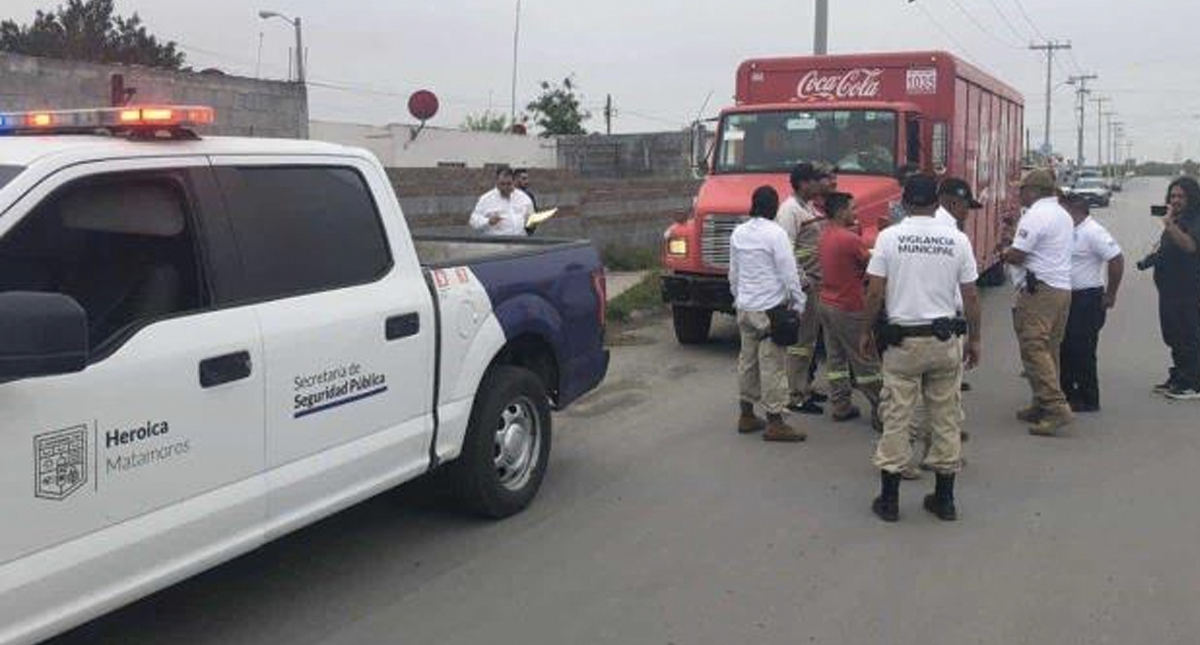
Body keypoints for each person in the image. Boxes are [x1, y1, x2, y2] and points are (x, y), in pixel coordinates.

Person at [861, 174, 981, 522]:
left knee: (897, 415)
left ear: (905, 202)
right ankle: (944, 500)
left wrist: (866, 331)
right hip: (945, 341)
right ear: (936, 202)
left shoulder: (889, 237)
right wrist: (975, 339)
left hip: (903, 342)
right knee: (945, 417)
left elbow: (874, 291)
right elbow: (971, 295)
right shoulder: (957, 240)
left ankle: (890, 500)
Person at [731, 186, 809, 442]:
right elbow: (789, 272)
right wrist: (799, 302)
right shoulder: (776, 234)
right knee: (773, 364)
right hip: (769, 309)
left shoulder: (739, 232)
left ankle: (747, 414)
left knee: (747, 361)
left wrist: (738, 297)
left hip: (745, 307)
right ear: (774, 207)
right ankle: (775, 422)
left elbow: (734, 271)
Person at [1001, 169, 1076, 436]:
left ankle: (1055, 407)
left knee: (1033, 345)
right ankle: (1041, 401)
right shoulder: (1062, 214)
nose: (1019, 193)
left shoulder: (1035, 215)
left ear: (1033, 190)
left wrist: (1004, 252)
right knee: (1049, 348)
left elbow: (1019, 255)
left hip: (1040, 289)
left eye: (1021, 189)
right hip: (1061, 287)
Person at [816, 191, 882, 427]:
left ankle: (841, 404)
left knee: (836, 360)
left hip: (826, 303)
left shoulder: (824, 235)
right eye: (852, 209)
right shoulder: (849, 239)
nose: (855, 213)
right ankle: (882, 409)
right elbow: (872, 264)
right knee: (865, 360)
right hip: (848, 305)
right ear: (841, 211)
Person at [1059, 194, 1124, 411]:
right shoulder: (1069, 230)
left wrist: (1111, 293)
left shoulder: (1092, 231)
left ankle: (1087, 398)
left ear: (1075, 209)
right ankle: (1068, 393)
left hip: (1087, 298)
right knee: (1066, 347)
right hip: (1068, 297)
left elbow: (1116, 259)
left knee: (1082, 349)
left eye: (1063, 210)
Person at [776, 163, 830, 414]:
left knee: (809, 339)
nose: (820, 184)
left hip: (815, 283)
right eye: (815, 180)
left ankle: (804, 386)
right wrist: (800, 281)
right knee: (800, 341)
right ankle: (795, 394)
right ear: (803, 183)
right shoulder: (789, 211)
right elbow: (786, 251)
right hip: (804, 286)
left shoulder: (806, 207)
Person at [1147, 177, 1200, 400]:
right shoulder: (1177, 219)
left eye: (1181, 196)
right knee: (1173, 336)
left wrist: (1169, 225)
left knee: (1188, 335)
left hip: (1188, 290)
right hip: (1169, 290)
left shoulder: (1195, 220)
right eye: (1173, 196)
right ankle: (1179, 375)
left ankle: (1192, 383)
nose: (1175, 200)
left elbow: (1189, 246)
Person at [469, 167, 535, 236]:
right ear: (496, 182)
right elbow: (473, 221)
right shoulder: (486, 199)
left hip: (519, 241)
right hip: (496, 243)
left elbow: (531, 219)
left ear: (513, 182)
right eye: (502, 184)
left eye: (509, 184)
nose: (505, 187)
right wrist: (488, 221)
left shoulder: (524, 198)